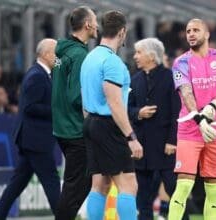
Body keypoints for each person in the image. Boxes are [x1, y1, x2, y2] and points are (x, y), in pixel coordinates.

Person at [168, 18, 216, 220]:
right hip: (190, 131)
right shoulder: (181, 62)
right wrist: (200, 118)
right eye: (188, 30)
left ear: (207, 34)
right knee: (184, 184)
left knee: (215, 190)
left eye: (196, 30)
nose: (191, 34)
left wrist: (213, 106)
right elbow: (187, 94)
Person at [80, 10, 143, 220]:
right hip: (109, 125)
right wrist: (131, 137)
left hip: (90, 122)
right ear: (122, 32)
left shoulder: (89, 58)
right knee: (128, 184)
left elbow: (84, 100)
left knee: (100, 184)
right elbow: (115, 103)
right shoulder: (113, 62)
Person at [0, 39, 60, 220]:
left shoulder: (42, 73)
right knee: (51, 181)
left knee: (17, 184)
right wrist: (57, 110)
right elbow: (30, 107)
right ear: (46, 54)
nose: (58, 57)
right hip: (35, 141)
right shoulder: (37, 76)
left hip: (32, 140)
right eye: (56, 53)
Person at [51, 6, 98, 220]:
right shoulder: (79, 54)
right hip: (75, 129)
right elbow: (75, 95)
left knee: (77, 183)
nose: (97, 25)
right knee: (75, 186)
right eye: (95, 21)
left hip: (61, 127)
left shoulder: (63, 50)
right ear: (87, 24)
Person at [128, 38, 181, 220]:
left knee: (173, 189)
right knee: (143, 197)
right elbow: (128, 109)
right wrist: (138, 113)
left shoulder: (170, 77)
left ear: (151, 55)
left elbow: (177, 113)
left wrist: (172, 141)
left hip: (165, 146)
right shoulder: (134, 80)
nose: (135, 56)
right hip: (142, 147)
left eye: (139, 52)